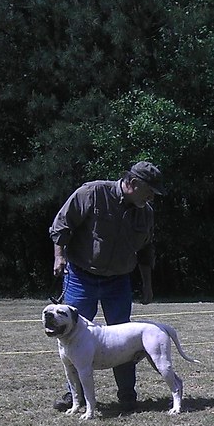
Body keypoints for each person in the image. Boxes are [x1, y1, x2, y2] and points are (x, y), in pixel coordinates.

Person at [49, 161, 165, 411]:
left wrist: (147, 284)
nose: (152, 196)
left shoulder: (146, 212)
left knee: (124, 339)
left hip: (119, 281)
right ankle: (75, 397)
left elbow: (146, 249)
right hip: (81, 277)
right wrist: (59, 258)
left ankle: (127, 395)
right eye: (150, 191)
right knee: (71, 335)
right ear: (133, 184)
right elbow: (61, 226)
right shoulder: (92, 193)